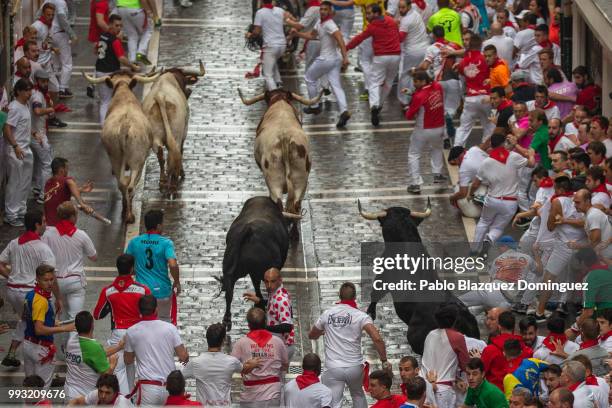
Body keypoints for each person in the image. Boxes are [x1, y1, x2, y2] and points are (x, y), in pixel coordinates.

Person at [309, 282, 388, 408]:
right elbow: (377, 338)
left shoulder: (327, 314)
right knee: (358, 395)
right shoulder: (360, 316)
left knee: (333, 402)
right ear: (354, 297)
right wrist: (384, 361)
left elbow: (312, 335)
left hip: (333, 368)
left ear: (339, 296)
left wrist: (324, 332)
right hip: (354, 368)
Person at [0, 210, 57, 368]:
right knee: (41, 324)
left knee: (25, 321)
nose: (46, 224)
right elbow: (51, 274)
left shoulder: (14, 242)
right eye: (44, 222)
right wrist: (58, 297)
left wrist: (12, 277)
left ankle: (12, 353)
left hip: (13, 291)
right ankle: (42, 362)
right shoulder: (43, 248)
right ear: (37, 225)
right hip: (31, 294)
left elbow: (1, 264)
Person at [93, 254, 150, 395]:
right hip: (139, 333)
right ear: (132, 269)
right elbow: (150, 313)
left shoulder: (108, 291)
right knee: (135, 368)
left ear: (117, 268)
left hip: (118, 335)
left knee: (119, 370)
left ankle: (126, 398)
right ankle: (131, 398)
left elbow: (97, 314)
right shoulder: (143, 290)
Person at [470, 133, 534, 256]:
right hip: (510, 202)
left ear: (491, 145)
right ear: (504, 143)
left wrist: (470, 194)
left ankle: (473, 249)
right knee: (498, 227)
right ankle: (490, 239)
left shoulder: (486, 162)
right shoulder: (514, 157)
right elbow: (531, 164)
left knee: (483, 222)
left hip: (492, 199)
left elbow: (475, 184)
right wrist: (531, 155)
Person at [290, 1, 351, 128]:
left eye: (325, 10)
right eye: (321, 9)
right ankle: (344, 111)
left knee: (309, 78)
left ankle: (314, 106)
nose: (322, 11)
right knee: (336, 85)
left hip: (327, 59)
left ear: (330, 11)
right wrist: (298, 34)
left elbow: (340, 39)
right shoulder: (320, 22)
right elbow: (311, 36)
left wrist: (346, 57)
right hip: (334, 59)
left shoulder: (330, 24)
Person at [533, 176, 585, 321]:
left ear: (561, 189)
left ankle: (540, 312)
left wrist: (559, 218)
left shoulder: (558, 201)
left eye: (555, 188)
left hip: (564, 246)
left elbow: (550, 226)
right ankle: (569, 308)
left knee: (549, 278)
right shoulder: (585, 199)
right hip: (582, 246)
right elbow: (586, 221)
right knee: (575, 279)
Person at [42, 202, 97, 338]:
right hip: (75, 281)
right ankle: (72, 353)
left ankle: (59, 352)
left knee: (58, 318)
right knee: (74, 319)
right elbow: (94, 256)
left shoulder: (48, 234)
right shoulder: (81, 235)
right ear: (72, 217)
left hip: (55, 283)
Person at [124, 295, 189, 405]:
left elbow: (128, 360)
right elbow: (183, 356)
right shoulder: (170, 328)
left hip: (147, 389)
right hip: (170, 388)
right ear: (156, 309)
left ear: (139, 310)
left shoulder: (131, 331)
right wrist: (185, 356)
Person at [346, 3, 400, 126]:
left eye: (369, 13)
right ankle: (380, 105)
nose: (367, 16)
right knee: (389, 82)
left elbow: (360, 38)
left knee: (375, 82)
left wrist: (347, 47)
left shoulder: (372, 26)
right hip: (396, 56)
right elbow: (399, 36)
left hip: (381, 57)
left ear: (376, 13)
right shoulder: (391, 21)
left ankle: (374, 105)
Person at [23, 264, 75, 388]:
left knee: (29, 386)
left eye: (52, 279)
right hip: (41, 349)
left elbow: (26, 317)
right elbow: (39, 329)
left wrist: (51, 322)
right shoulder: (41, 300)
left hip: (27, 345)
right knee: (43, 389)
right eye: (46, 280)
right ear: (37, 279)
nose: (50, 283)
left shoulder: (30, 295)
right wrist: (64, 328)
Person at [182, 323, 259, 406]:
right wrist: (254, 363)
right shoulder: (231, 361)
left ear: (207, 339)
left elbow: (178, 379)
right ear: (223, 341)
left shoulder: (195, 363)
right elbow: (245, 369)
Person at [126, 209, 180, 323]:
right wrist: (177, 281)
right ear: (159, 225)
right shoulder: (166, 243)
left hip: (141, 292)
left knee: (141, 323)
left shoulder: (135, 242)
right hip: (162, 292)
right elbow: (173, 264)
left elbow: (125, 263)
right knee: (164, 321)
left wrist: (136, 271)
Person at [231, 307, 288, 407]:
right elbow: (285, 365)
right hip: (273, 394)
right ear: (265, 322)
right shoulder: (278, 342)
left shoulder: (241, 343)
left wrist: (244, 368)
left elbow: (231, 366)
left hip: (250, 396)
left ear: (249, 325)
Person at [459, 236, 535, 310]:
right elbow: (539, 272)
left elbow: (491, 279)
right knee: (490, 309)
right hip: (505, 302)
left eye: (500, 247)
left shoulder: (499, 259)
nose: (499, 249)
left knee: (459, 302)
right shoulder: (527, 258)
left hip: (492, 291)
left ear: (505, 246)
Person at [64, 311, 121, 401]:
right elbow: (105, 377)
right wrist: (112, 364)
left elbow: (95, 356)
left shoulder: (71, 341)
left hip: (69, 392)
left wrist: (119, 346)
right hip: (84, 397)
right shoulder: (93, 347)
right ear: (92, 325)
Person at [405, 70, 445, 194]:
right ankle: (437, 174)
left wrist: (410, 102)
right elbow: (427, 93)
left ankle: (415, 183)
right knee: (437, 149)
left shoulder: (419, 96)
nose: (414, 84)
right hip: (439, 127)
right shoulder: (438, 87)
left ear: (423, 81)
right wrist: (413, 93)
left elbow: (409, 115)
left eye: (416, 82)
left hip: (423, 128)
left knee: (414, 154)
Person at [94, 14, 140, 125]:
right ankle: (107, 126)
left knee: (104, 101)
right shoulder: (114, 41)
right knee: (110, 101)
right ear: (110, 24)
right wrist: (133, 66)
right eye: (116, 25)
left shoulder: (102, 36)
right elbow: (121, 58)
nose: (119, 28)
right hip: (111, 74)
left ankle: (104, 125)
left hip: (99, 71)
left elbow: (95, 50)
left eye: (120, 26)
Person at [421, 304, 469, 407]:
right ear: (455, 320)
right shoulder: (457, 337)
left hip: (425, 387)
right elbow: (466, 365)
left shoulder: (430, 334)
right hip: (443, 390)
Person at [243, 268, 296, 360]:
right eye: (266, 282)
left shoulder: (281, 300)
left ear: (280, 280)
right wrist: (259, 300)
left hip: (282, 346)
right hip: (279, 344)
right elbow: (273, 306)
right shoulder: (276, 292)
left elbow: (287, 326)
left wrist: (263, 328)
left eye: (272, 281)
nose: (269, 285)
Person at [453, 35, 494, 147]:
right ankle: (486, 148)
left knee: (464, 127)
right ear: (480, 45)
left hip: (470, 98)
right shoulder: (484, 59)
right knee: (489, 125)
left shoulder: (463, 62)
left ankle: (457, 149)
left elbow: (461, 74)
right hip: (486, 96)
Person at [3, 79, 33, 227]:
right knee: (15, 182)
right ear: (19, 91)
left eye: (30, 89)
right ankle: (11, 214)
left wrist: (33, 134)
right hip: (16, 150)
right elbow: (7, 128)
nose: (29, 93)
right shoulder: (14, 107)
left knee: (25, 182)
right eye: (27, 90)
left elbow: (23, 126)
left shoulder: (25, 105)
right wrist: (15, 146)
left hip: (25, 149)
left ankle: (21, 210)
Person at [480, 311, 532, 390]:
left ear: (499, 326)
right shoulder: (527, 350)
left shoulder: (489, 350)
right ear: (514, 327)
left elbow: (481, 373)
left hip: (496, 394)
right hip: (519, 395)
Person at [39, 0, 76, 99]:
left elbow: (38, 14)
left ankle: (56, 86)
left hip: (50, 32)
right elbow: (61, 17)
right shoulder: (61, 2)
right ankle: (62, 88)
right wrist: (72, 34)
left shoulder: (47, 0)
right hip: (60, 34)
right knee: (67, 63)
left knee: (55, 61)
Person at [396, 0, 431, 106]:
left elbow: (400, 38)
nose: (401, 10)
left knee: (406, 75)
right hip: (424, 48)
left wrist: (394, 29)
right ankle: (422, 97)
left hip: (412, 52)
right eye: (399, 7)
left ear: (409, 6)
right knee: (420, 74)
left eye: (403, 8)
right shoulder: (415, 13)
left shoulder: (406, 20)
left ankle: (405, 100)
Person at [249, 0, 289, 90]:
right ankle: (278, 82)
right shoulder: (280, 10)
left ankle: (275, 96)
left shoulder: (260, 12)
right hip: (282, 45)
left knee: (268, 75)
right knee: (272, 61)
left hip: (270, 46)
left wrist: (250, 34)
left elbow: (257, 31)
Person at [44, 157, 94, 227]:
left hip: (48, 228)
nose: (67, 171)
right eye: (67, 168)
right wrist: (82, 204)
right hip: (61, 228)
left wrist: (80, 190)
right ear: (61, 170)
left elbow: (59, 193)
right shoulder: (66, 180)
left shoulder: (48, 183)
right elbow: (71, 183)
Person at [29, 69, 54, 204]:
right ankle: (44, 194)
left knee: (39, 163)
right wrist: (49, 110)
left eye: (46, 81)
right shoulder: (38, 95)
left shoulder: (40, 94)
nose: (45, 84)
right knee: (47, 163)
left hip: (36, 132)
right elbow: (37, 111)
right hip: (37, 135)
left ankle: (38, 188)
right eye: (43, 81)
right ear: (37, 81)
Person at [447, 142, 489, 217]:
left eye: (455, 163)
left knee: (458, 190)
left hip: (494, 188)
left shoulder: (463, 169)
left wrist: (451, 198)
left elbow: (463, 193)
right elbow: (489, 143)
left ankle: (484, 200)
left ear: (456, 159)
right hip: (506, 175)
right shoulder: (473, 149)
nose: (457, 166)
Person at [31, 3, 61, 105]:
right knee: (35, 91)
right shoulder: (36, 26)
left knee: (55, 88)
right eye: (48, 15)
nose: (51, 17)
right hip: (37, 65)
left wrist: (52, 48)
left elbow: (45, 42)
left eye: (52, 15)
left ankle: (50, 112)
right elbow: (29, 42)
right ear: (43, 13)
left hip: (47, 63)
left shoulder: (50, 25)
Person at [572, 189, 611, 259]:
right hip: (604, 257)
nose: (575, 205)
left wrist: (578, 246)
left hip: (607, 257)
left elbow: (595, 241)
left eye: (578, 202)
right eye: (574, 202)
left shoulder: (592, 215)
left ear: (587, 201)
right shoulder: (590, 214)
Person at [116, 0, 153, 64]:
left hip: (120, 8)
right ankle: (141, 52)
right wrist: (148, 11)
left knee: (131, 35)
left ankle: (132, 59)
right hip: (135, 9)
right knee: (147, 31)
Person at [69, 373, 134, 407]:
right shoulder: (96, 394)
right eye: (101, 391)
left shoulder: (121, 404)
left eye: (108, 393)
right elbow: (78, 401)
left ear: (115, 393)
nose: (103, 396)